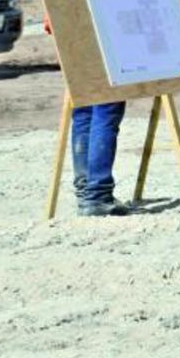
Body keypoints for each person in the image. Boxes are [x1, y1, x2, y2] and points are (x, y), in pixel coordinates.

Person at [45, 15, 129, 216]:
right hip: (104, 32)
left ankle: (86, 191)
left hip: (71, 31)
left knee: (85, 109)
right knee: (106, 106)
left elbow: (49, 20)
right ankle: (97, 194)